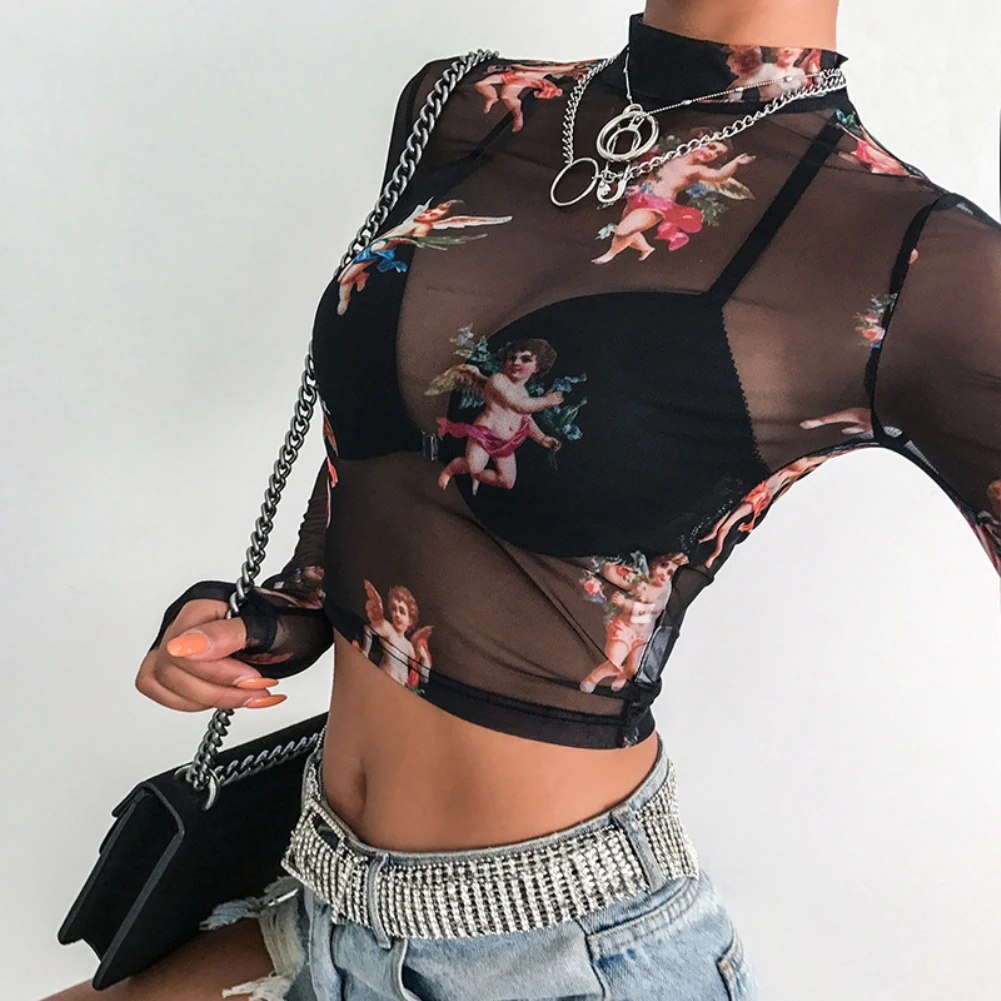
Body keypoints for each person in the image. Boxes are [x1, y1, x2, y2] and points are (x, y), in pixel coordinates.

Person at [45, 0, 1001, 998]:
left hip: (562, 950)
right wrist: (271, 619)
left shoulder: (914, 256)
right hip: (322, 898)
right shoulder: (470, 106)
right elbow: (380, 460)